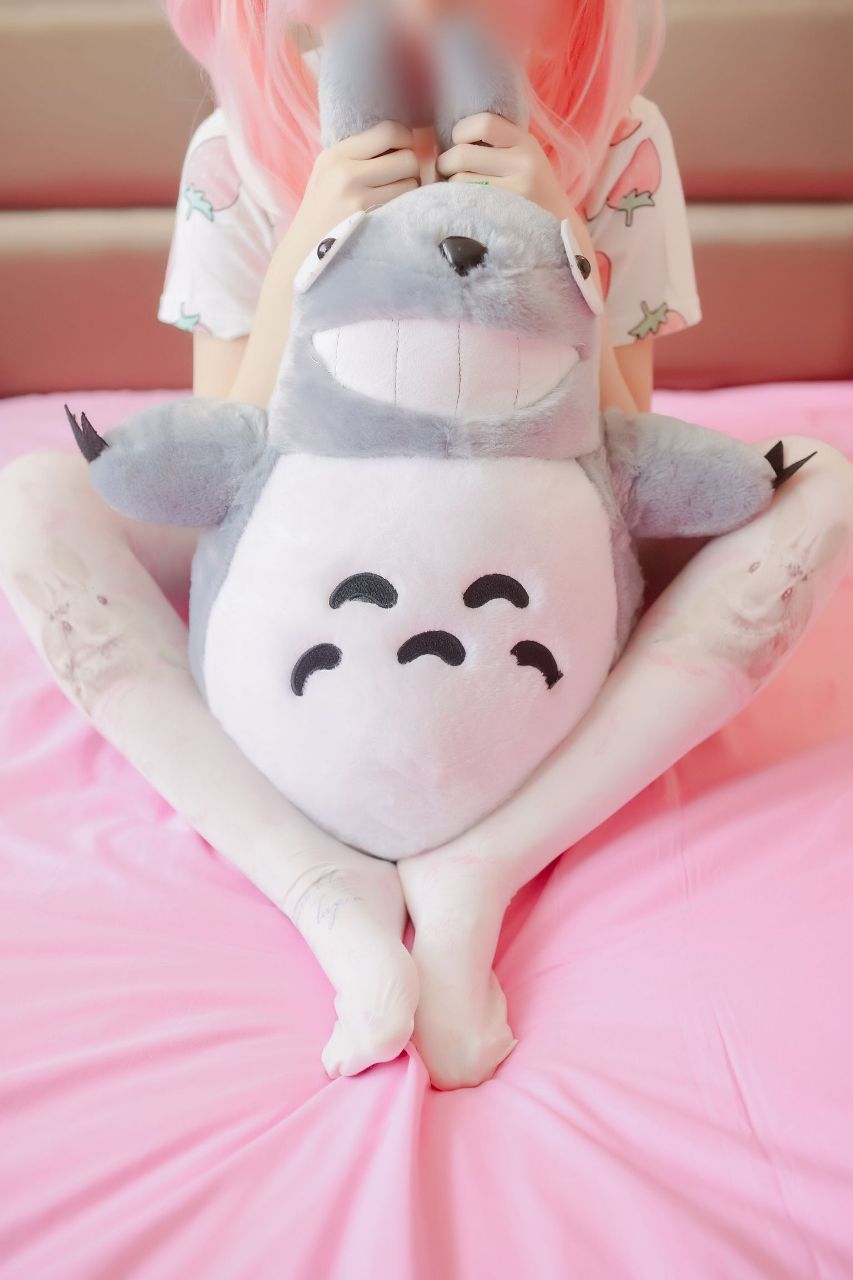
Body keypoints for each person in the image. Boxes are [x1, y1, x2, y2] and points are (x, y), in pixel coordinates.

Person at [1, 0, 850, 1090]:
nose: (418, 17)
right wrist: (310, 240)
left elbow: (621, 445)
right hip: (308, 543)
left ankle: (486, 861)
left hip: (539, 548)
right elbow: (227, 449)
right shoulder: (237, 154)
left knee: (817, 484)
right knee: (34, 496)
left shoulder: (620, 143)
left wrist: (560, 236)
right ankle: (312, 876)